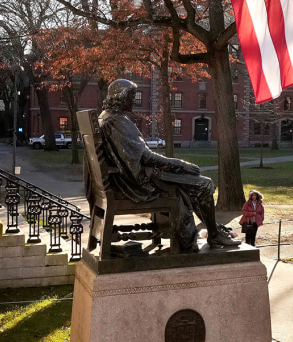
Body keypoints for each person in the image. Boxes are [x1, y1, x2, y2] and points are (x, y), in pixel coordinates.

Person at [94, 79, 239, 251]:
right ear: (121, 97)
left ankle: (214, 231)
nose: (133, 101)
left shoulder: (106, 117)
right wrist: (180, 164)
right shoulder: (117, 121)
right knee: (204, 184)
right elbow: (147, 157)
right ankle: (213, 234)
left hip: (126, 179)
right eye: (131, 97)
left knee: (194, 183)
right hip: (138, 183)